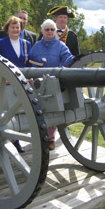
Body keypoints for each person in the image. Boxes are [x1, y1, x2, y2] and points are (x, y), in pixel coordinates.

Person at [30, 19, 75, 150]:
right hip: (39, 82)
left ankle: (50, 139)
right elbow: (31, 61)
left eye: (52, 29)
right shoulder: (36, 46)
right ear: (42, 31)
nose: (49, 32)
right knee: (40, 109)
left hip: (54, 82)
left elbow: (68, 58)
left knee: (53, 110)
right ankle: (40, 136)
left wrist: (59, 70)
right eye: (47, 29)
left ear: (55, 31)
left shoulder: (61, 45)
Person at [0, 16, 32, 153]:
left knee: (21, 110)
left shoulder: (26, 44)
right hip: (6, 82)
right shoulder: (1, 43)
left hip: (21, 82)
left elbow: (29, 64)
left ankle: (17, 138)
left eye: (18, 27)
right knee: (8, 111)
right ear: (7, 29)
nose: (15, 29)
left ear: (21, 29)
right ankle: (14, 141)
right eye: (13, 27)